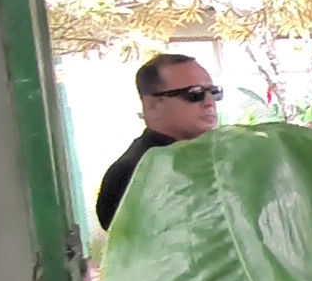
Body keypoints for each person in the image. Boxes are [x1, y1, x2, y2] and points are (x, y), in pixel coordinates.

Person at [95, 53, 221, 230]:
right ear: (152, 106)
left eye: (214, 92)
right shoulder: (133, 172)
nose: (209, 103)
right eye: (194, 94)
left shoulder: (207, 155)